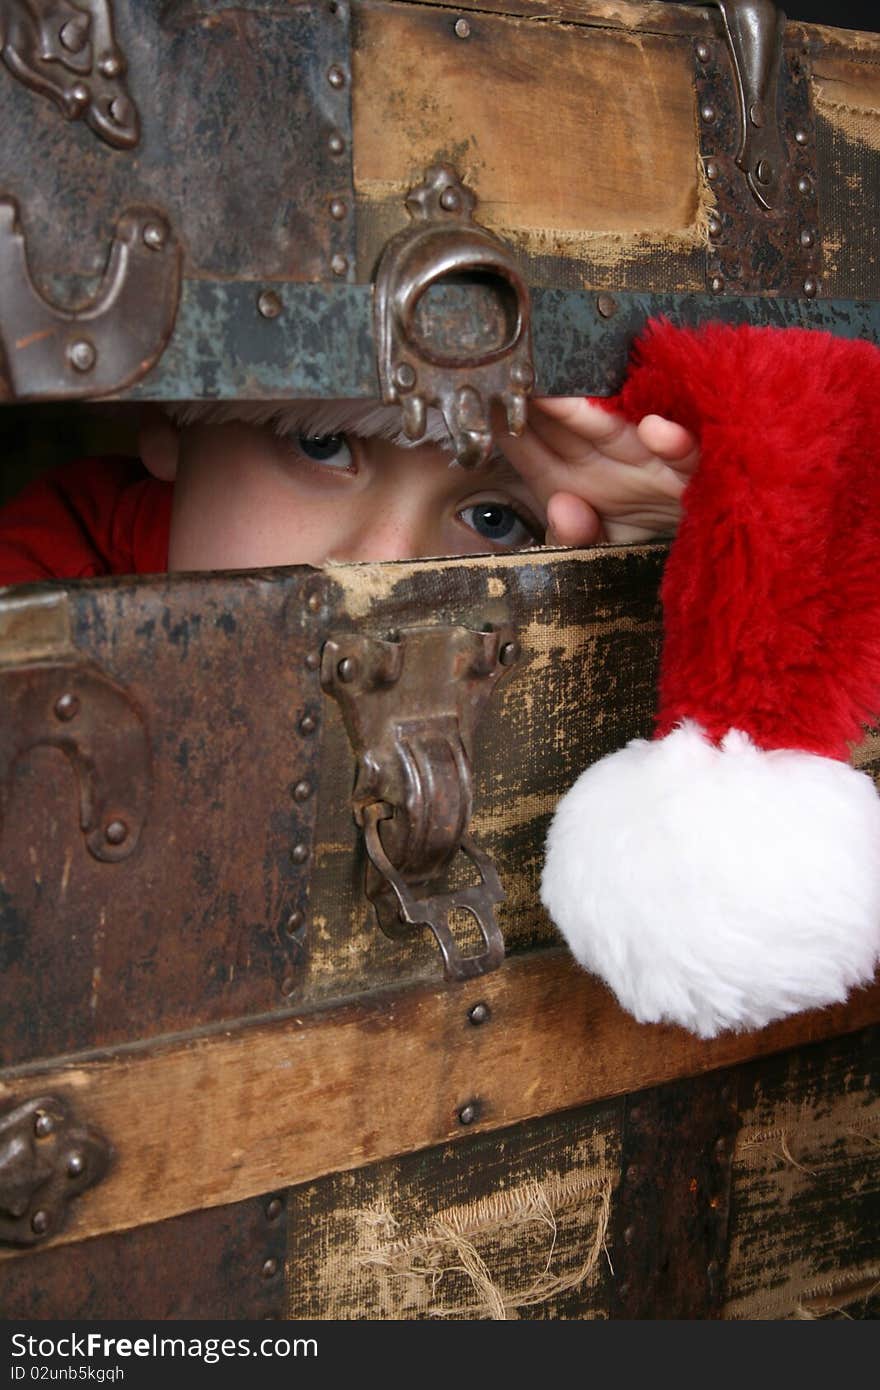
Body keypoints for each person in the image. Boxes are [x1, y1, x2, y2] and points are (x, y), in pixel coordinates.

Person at [0, 395, 697, 583]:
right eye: (321, 443)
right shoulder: (32, 596)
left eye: (492, 518)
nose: (385, 568)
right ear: (171, 416)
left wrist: (622, 596)